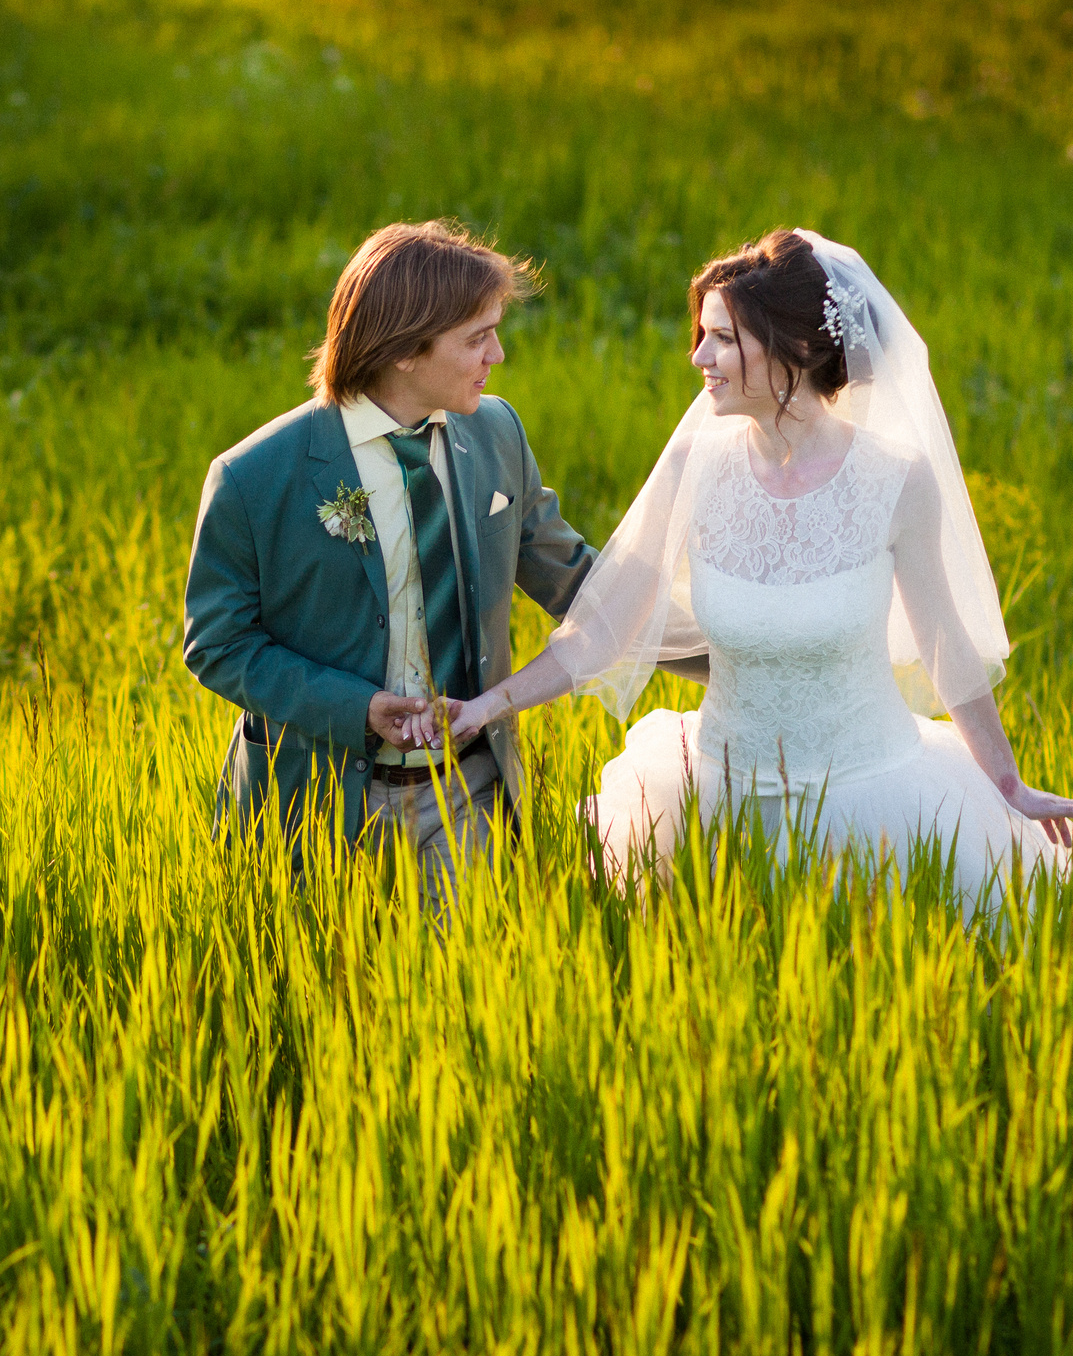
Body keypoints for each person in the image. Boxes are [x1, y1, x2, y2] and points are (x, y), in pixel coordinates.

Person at [433, 228, 1073, 913]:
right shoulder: (696, 462)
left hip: (872, 795)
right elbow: (602, 627)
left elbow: (945, 645)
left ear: (800, 348)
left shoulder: (896, 480)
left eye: (723, 338)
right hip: (720, 796)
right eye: (702, 334)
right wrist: (488, 706)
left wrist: (1007, 781)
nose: (699, 356)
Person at [181, 219, 703, 896]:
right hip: (317, 804)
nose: (499, 353)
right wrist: (358, 705)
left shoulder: (495, 432)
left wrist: (737, 656)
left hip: (469, 793)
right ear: (403, 349)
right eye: (477, 337)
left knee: (471, 993)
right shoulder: (254, 476)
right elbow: (218, 644)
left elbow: (580, 582)